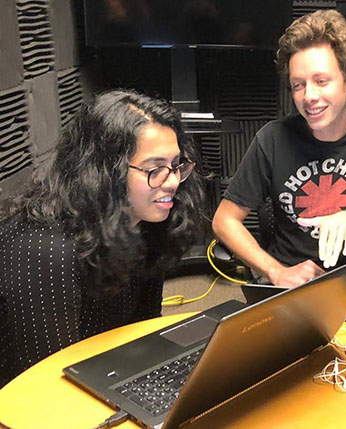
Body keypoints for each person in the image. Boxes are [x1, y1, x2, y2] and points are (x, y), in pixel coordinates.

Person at [212, 9, 346, 339]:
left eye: (321, 81)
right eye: (299, 85)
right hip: (288, 278)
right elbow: (224, 220)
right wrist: (275, 270)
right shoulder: (272, 139)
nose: (309, 96)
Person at [0, 89, 204, 387]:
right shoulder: (43, 248)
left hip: (96, 373)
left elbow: (144, 330)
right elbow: (47, 386)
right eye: (154, 169)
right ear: (106, 171)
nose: (172, 181)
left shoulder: (147, 220)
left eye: (176, 165)